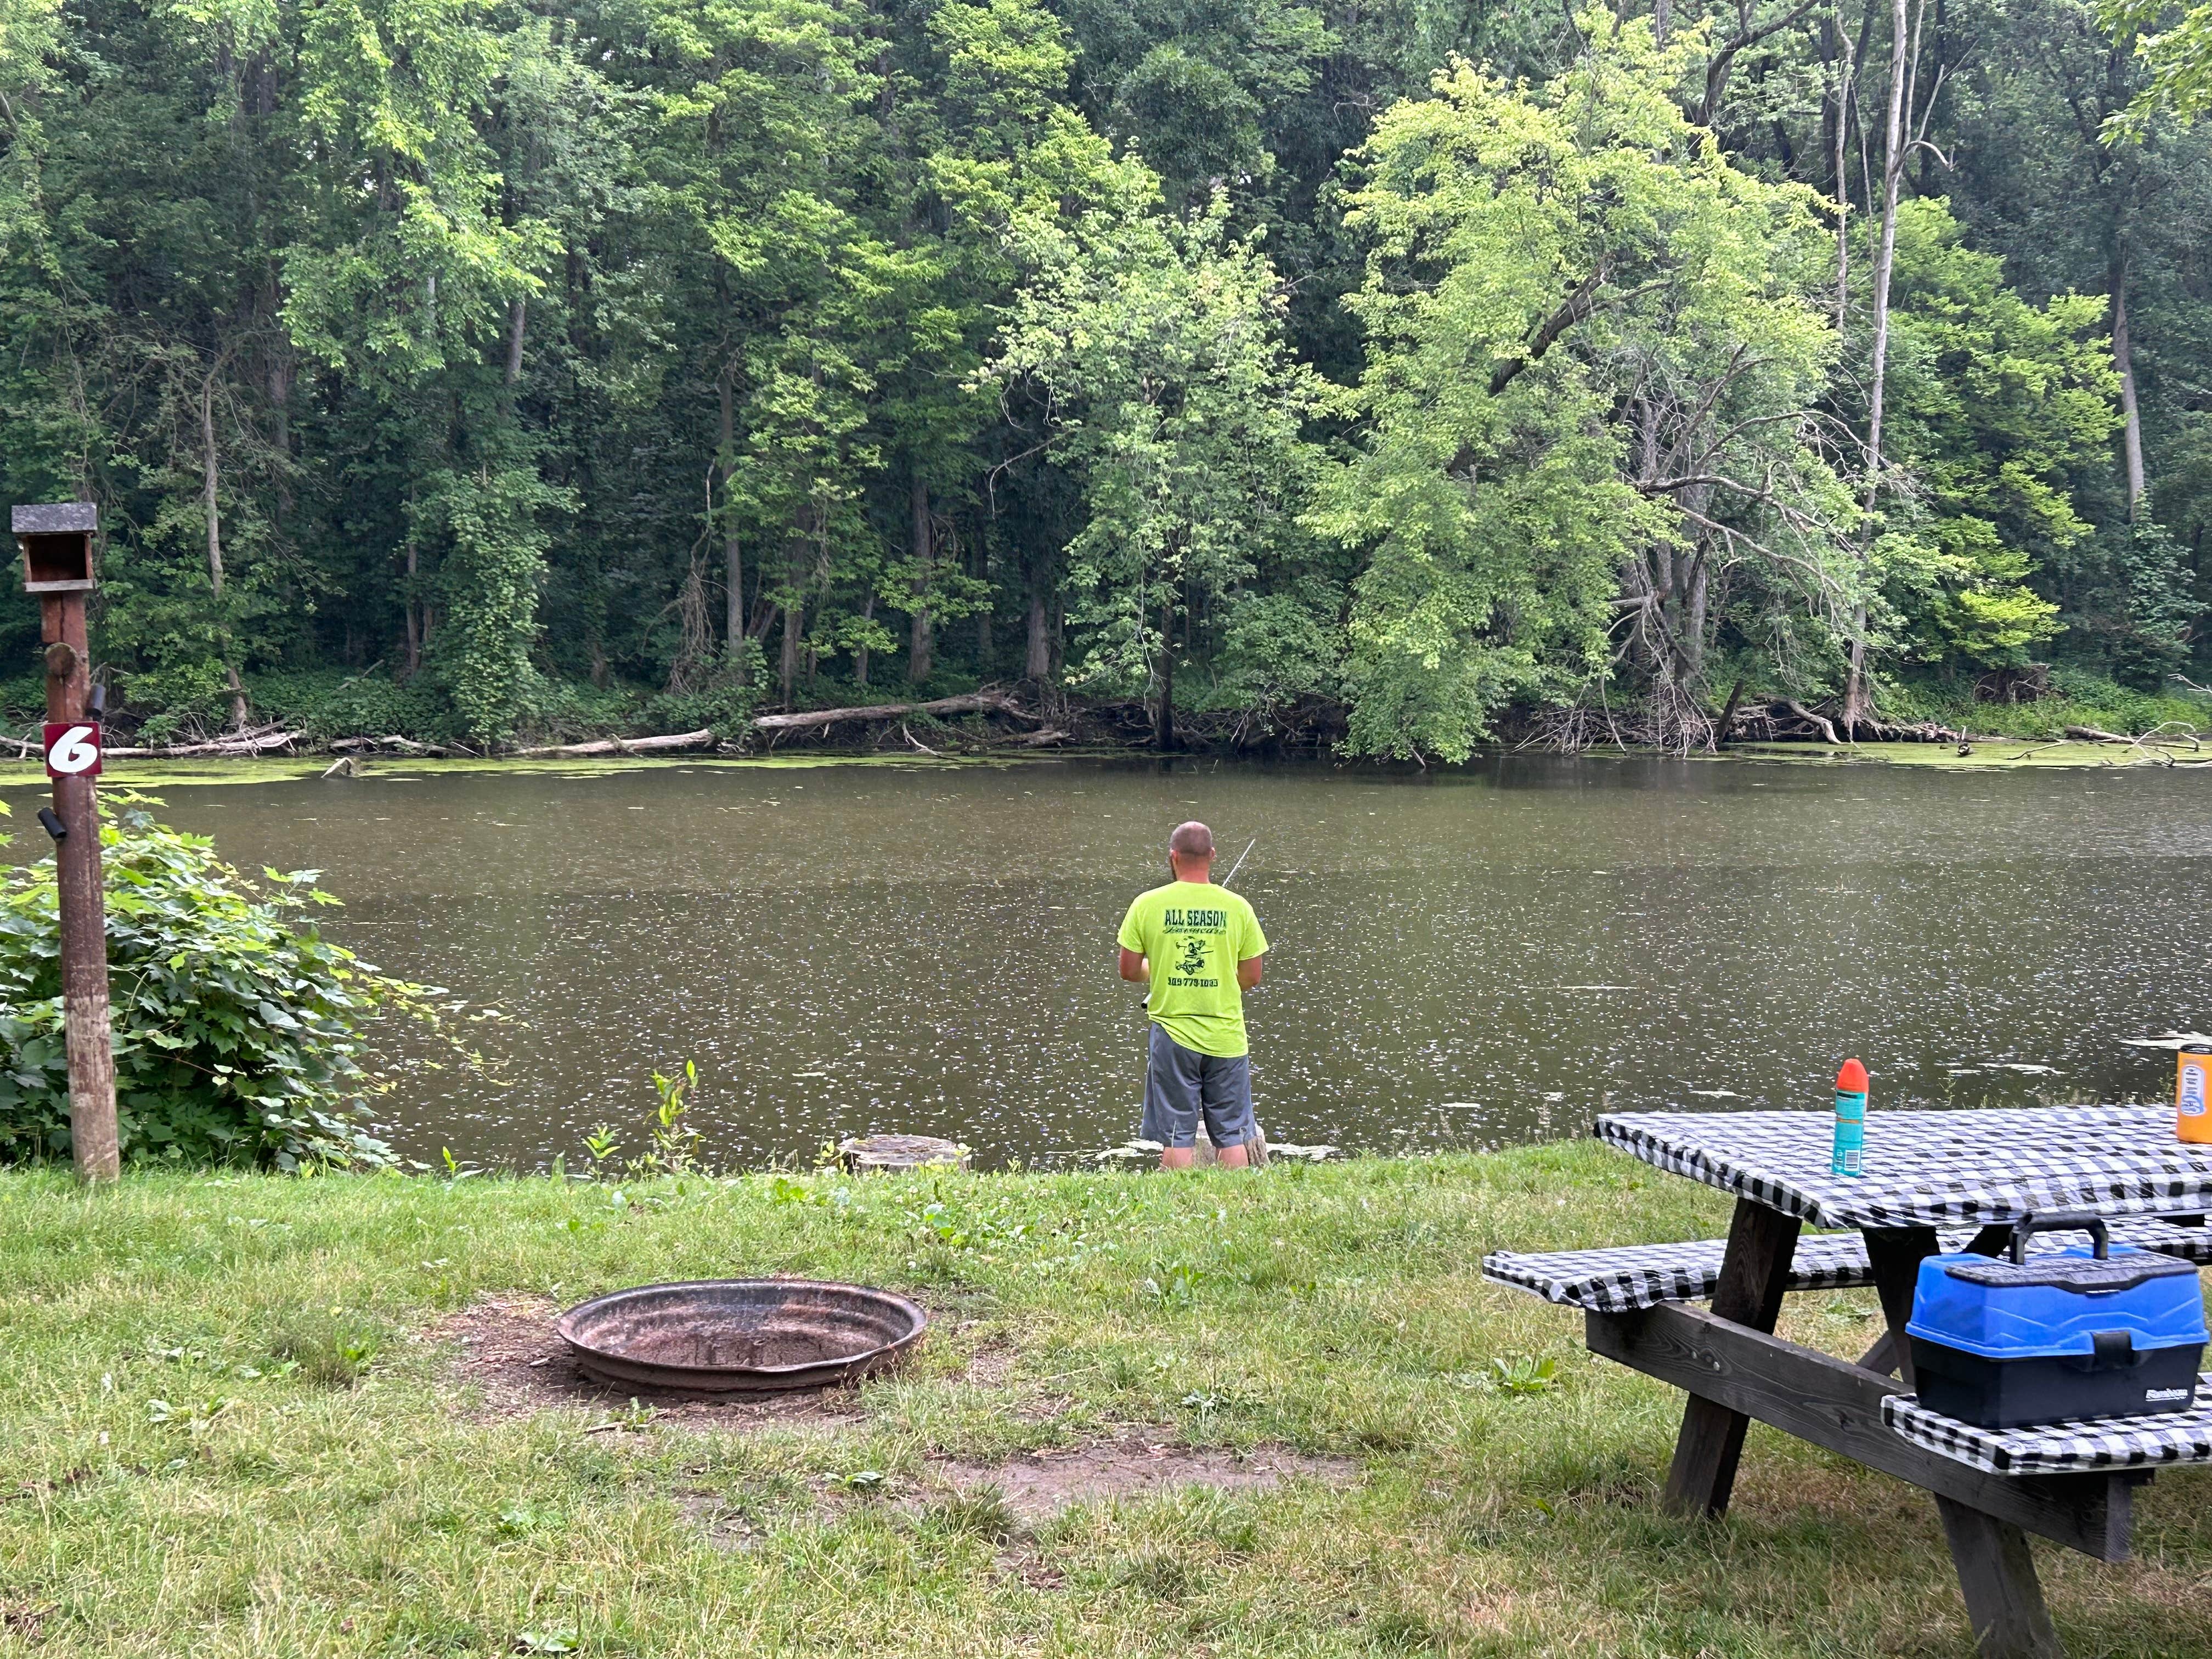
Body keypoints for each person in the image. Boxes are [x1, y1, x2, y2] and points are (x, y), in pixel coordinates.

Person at [1116, 821, 1269, 1169]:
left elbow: (1128, 971)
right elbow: (1252, 976)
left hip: (1172, 1035)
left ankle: (1177, 1206)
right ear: (1212, 856)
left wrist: (1159, 969)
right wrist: (1221, 979)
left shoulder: (1146, 904)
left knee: (1175, 1132)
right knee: (1232, 1133)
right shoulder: (1239, 907)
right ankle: (1239, 1202)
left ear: (1173, 857)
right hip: (1227, 1034)